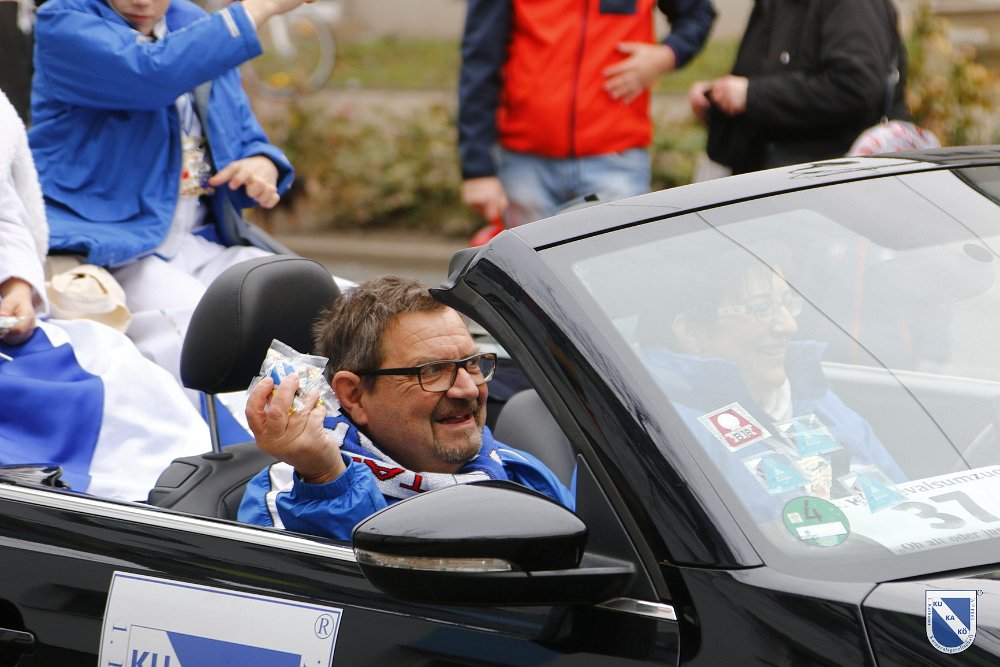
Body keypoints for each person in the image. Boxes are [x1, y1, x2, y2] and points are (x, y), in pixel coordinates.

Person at [27, 0, 305, 397]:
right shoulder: (63, 20)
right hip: (112, 249)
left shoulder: (192, 22)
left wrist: (262, 163)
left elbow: (244, 133)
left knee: (323, 302)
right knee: (209, 332)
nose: (141, 1)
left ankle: (330, 429)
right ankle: (239, 435)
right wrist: (259, 7)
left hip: (203, 241)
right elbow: (152, 72)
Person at [238, 276, 574, 540]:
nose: (468, 389)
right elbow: (364, 595)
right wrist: (326, 480)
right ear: (354, 395)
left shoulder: (518, 470)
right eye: (432, 370)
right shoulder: (291, 493)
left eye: (472, 363)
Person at [0, 89, 210, 501]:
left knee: (117, 365)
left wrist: (17, 287)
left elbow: (7, 219)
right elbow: (149, 71)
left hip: (15, 339)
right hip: (120, 243)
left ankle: (189, 501)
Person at [640, 250, 905, 523]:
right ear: (691, 332)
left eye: (788, 304)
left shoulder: (818, 401)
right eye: (761, 308)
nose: (789, 326)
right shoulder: (668, 428)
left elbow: (905, 510)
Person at [458, 0, 717, 229]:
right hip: (526, 163)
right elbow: (481, 58)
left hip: (616, 160)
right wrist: (477, 170)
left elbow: (698, 13)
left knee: (616, 267)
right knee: (526, 270)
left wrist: (665, 55)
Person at [687, 0, 909, 176]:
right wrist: (719, 95)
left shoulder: (852, 6)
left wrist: (751, 95)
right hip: (773, 179)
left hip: (829, 184)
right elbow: (766, 74)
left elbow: (856, 86)